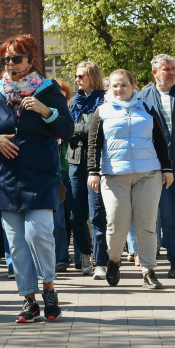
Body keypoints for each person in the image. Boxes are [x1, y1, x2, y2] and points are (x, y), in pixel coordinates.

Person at [0, 34, 72, 322]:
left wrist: (46, 112)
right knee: (16, 241)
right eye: (6, 59)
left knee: (39, 233)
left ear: (31, 60)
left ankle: (50, 290)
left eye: (16, 58)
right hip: (6, 176)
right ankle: (28, 299)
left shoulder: (48, 89)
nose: (10, 64)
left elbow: (67, 128)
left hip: (40, 174)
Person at [87, 69, 173, 289]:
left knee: (147, 224)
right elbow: (94, 144)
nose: (119, 89)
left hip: (148, 173)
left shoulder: (146, 108)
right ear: (109, 88)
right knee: (117, 223)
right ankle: (114, 261)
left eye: (124, 84)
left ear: (133, 86)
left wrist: (166, 168)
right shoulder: (102, 111)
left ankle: (148, 270)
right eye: (115, 85)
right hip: (114, 176)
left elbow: (160, 140)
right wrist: (93, 171)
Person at [137, 54, 175, 278]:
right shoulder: (143, 97)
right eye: (166, 69)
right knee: (167, 215)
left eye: (173, 69)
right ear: (154, 73)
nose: (171, 73)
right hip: (160, 166)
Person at [66, 61, 106, 278]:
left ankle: (101, 261)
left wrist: (79, 130)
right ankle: (85, 254)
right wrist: (84, 130)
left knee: (98, 213)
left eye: (81, 76)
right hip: (75, 161)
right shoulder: (74, 102)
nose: (77, 80)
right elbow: (66, 130)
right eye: (76, 76)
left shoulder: (105, 100)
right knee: (76, 215)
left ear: (93, 76)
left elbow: (101, 130)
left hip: (99, 163)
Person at [53, 78, 73, 273]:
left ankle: (66, 256)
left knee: (71, 215)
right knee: (57, 217)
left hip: (68, 168)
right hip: (53, 170)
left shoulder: (67, 113)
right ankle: (60, 257)